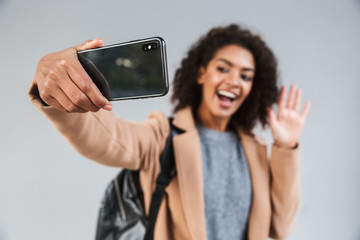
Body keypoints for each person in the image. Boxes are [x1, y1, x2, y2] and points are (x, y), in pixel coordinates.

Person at [28, 24, 310, 240]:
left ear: (253, 87)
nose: (234, 81)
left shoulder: (255, 148)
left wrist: (285, 147)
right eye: (223, 68)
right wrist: (58, 93)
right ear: (201, 74)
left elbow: (280, 228)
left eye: (246, 75)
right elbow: (105, 140)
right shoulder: (163, 135)